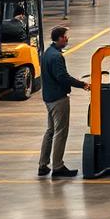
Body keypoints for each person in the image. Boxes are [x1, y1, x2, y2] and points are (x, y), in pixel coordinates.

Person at [39, 26, 88, 178]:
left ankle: (43, 165)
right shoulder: (56, 57)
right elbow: (63, 77)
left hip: (48, 98)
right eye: (65, 37)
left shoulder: (47, 53)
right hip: (58, 99)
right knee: (61, 132)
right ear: (59, 38)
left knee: (50, 131)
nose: (67, 39)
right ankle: (58, 166)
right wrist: (83, 85)